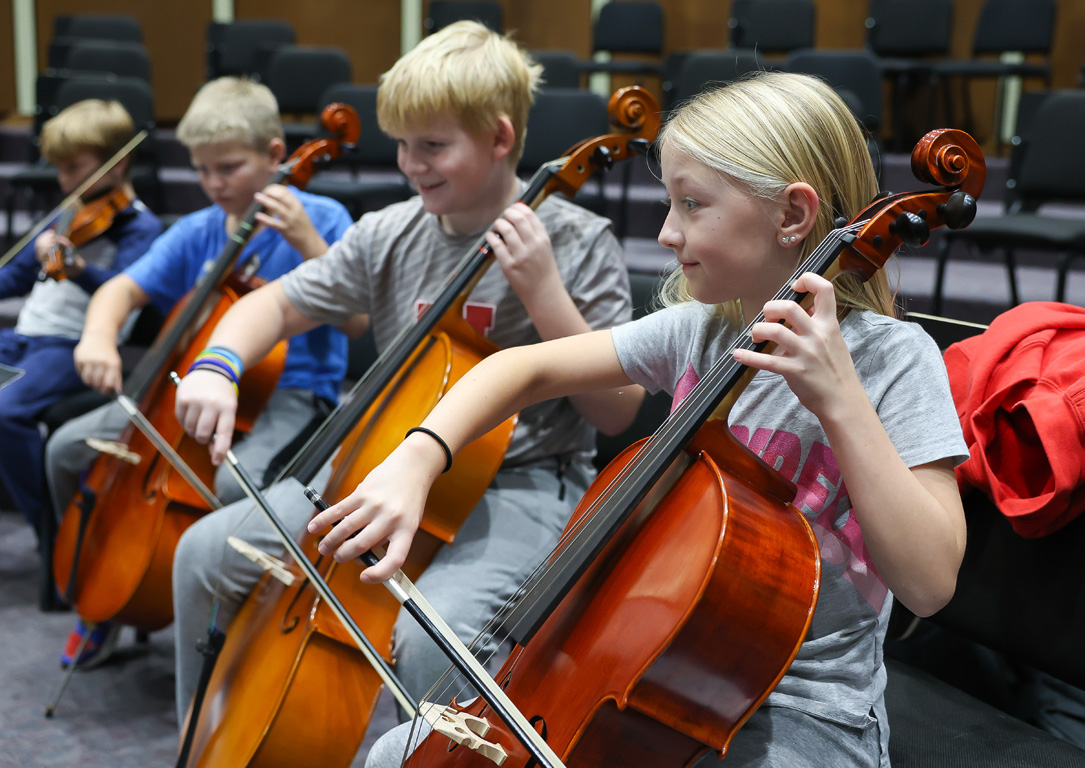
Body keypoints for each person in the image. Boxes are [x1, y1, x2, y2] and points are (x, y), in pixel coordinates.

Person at [344, 72, 970, 768]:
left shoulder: (892, 359)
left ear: (791, 215)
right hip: (641, 673)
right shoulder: (701, 331)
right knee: (393, 755)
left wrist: (839, 401)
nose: (666, 232)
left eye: (691, 204)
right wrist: (417, 458)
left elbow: (928, 582)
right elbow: (515, 369)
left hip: (804, 715)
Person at [169, 19, 641, 737]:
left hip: (520, 479)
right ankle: (203, 743)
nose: (409, 164)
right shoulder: (388, 231)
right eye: (401, 144)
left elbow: (614, 412)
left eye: (433, 146)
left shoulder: (578, 241)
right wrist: (216, 364)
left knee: (431, 637)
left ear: (500, 138)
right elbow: (273, 304)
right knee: (203, 552)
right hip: (381, 464)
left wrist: (544, 291)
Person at [44, 77, 353, 668]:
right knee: (65, 449)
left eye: (229, 167)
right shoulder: (201, 228)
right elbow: (120, 290)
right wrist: (99, 336)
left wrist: (309, 242)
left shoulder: (326, 217)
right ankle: (97, 596)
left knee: (231, 488)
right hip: (186, 388)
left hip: (292, 394)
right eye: (203, 170)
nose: (214, 184)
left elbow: (362, 321)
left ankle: (229, 635)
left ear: (274, 154)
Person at [0, 99, 161, 537]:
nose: (65, 180)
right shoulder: (67, 213)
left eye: (76, 167)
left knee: (5, 411)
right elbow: (15, 276)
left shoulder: (140, 227)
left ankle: (51, 529)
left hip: (72, 345)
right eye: (60, 168)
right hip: (24, 338)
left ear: (117, 163)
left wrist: (81, 269)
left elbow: (128, 290)